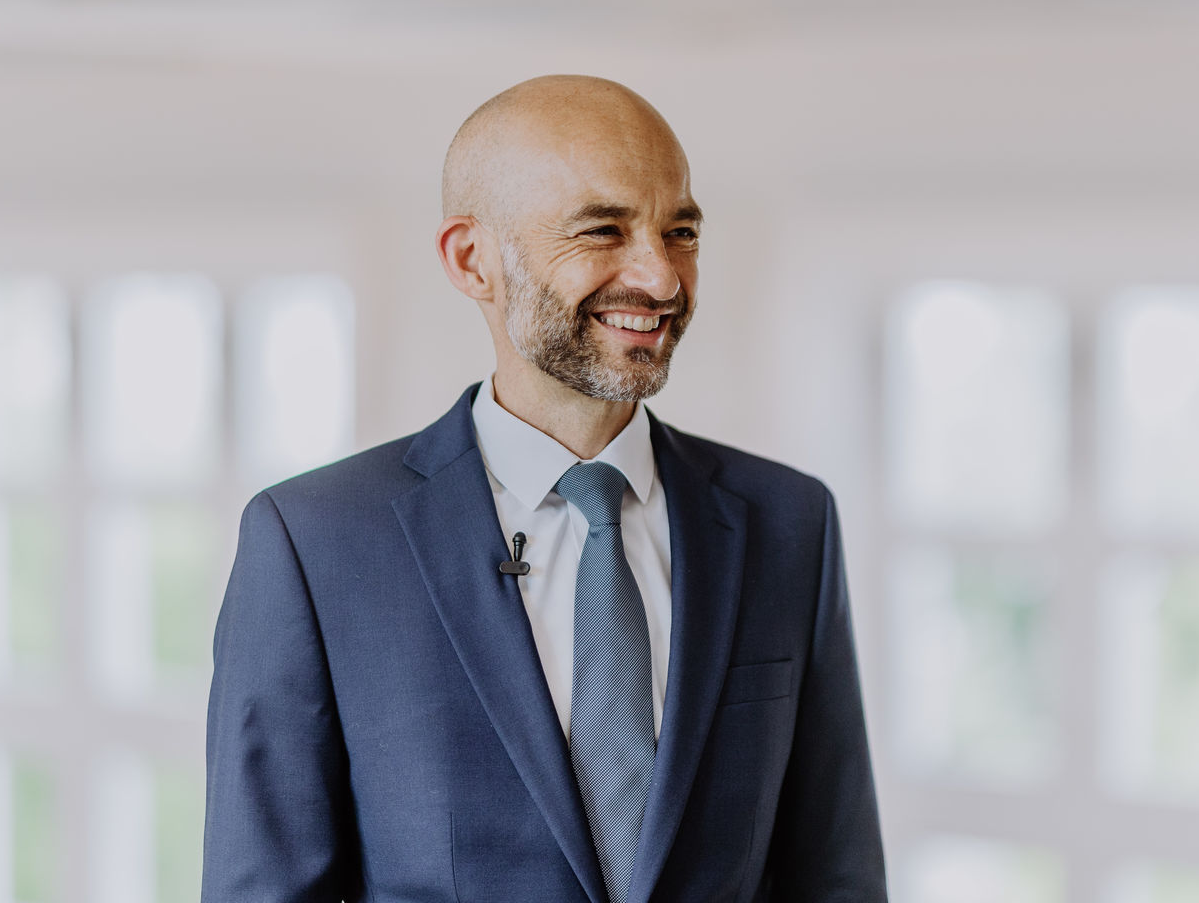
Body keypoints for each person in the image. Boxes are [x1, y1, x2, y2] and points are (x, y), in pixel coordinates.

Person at [202, 75, 888, 903]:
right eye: (603, 230)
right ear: (472, 260)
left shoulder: (790, 522)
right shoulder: (314, 543)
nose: (663, 279)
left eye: (681, 232)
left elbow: (836, 876)